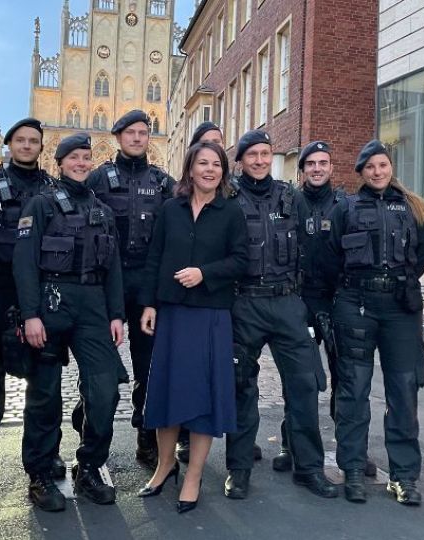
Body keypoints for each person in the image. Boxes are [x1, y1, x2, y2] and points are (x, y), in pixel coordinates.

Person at [12, 132, 125, 509]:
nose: (81, 163)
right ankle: (41, 473)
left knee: (105, 388)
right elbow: (25, 263)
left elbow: (114, 269)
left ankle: (90, 465)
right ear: (59, 162)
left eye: (85, 158)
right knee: (44, 394)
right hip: (51, 301)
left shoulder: (103, 210)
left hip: (93, 304)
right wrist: (30, 315)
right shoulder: (40, 205)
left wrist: (116, 314)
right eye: (73, 157)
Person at [0, 118, 68, 499]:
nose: (26, 146)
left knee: (45, 385)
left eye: (33, 141)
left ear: (41, 147)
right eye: (20, 140)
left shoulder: (54, 189)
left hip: (39, 297)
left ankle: (44, 458)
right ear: (9, 144)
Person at [224, 129, 337, 500]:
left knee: (304, 385)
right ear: (240, 160)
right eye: (251, 154)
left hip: (288, 303)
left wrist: (313, 303)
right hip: (244, 304)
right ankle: (239, 470)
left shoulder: (291, 196)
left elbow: (312, 247)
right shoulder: (227, 198)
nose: (259, 160)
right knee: (242, 386)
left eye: (264, 153)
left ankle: (309, 468)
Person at [136, 141, 248, 513]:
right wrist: (150, 303)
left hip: (210, 315)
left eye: (216, 164)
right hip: (172, 313)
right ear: (190, 169)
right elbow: (154, 257)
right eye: (202, 163)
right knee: (167, 392)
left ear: (223, 172)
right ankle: (165, 466)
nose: (209, 170)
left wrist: (205, 273)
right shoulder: (171, 210)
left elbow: (241, 261)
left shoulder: (231, 212)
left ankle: (194, 475)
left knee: (203, 398)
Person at [325, 140, 424, 505]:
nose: (377, 172)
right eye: (369, 166)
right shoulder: (346, 208)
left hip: (399, 309)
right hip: (356, 304)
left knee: (403, 392)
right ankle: (353, 469)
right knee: (354, 390)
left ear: (391, 167)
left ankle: (404, 475)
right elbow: (329, 258)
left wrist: (397, 284)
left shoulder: (413, 208)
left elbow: (423, 255)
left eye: (382, 165)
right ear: (361, 172)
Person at [271, 141, 373, 480]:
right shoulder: (289, 202)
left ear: (332, 167)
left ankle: (350, 449)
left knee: (345, 377)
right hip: (299, 299)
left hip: (337, 300)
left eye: (323, 162)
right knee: (297, 380)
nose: (317, 168)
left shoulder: (346, 204)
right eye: (311, 163)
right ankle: (291, 443)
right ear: (302, 170)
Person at [86, 109, 176, 469]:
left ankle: (145, 433)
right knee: (99, 367)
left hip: (146, 284)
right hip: (107, 281)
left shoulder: (163, 182)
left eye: (143, 133)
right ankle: (93, 438)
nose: (137, 138)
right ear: (119, 136)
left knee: (148, 367)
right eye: (131, 133)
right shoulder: (99, 179)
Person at [174, 121, 262, 465]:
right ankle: (177, 439)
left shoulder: (232, 202)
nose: (211, 162)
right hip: (182, 303)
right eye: (205, 151)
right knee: (181, 377)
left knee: (225, 377)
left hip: (221, 302)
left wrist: (206, 275)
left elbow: (239, 256)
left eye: (218, 150)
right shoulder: (176, 202)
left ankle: (235, 446)